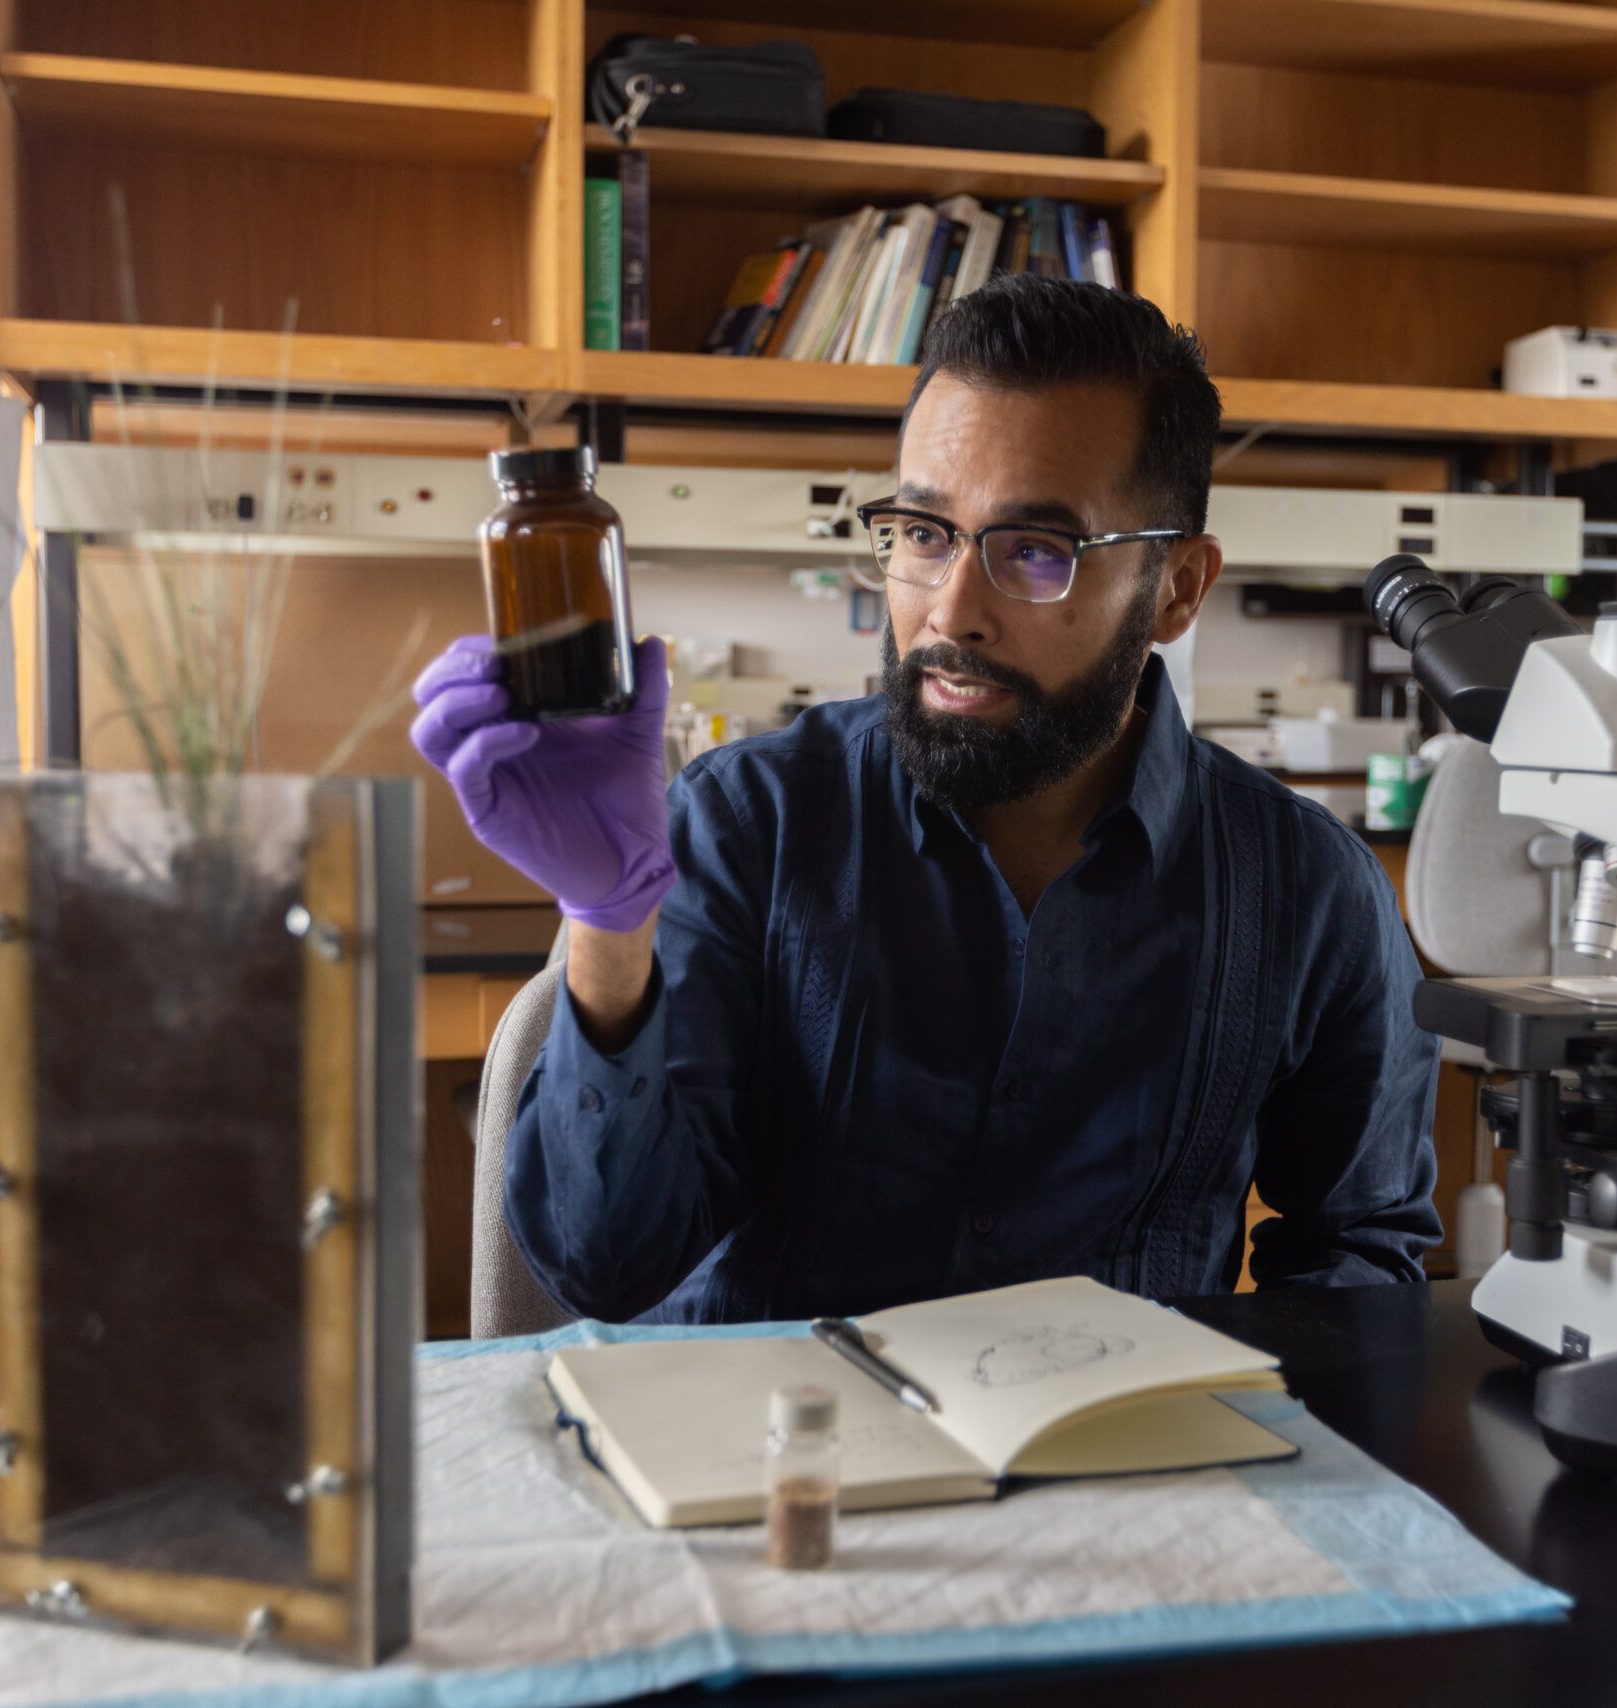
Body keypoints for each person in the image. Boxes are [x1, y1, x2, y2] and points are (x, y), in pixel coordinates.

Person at [412, 275, 1439, 1324]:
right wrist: (609, 926)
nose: (952, 608)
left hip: (1122, 1467)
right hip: (771, 1459)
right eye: (923, 532)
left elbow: (1355, 1253)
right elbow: (604, 1267)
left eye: (1036, 551)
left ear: (1175, 588)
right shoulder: (745, 826)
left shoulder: (1309, 888)